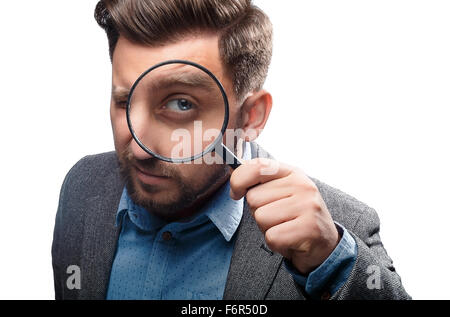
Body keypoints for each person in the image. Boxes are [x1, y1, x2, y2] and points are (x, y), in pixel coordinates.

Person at [51, 0, 410, 300]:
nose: (140, 148)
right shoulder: (82, 188)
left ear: (251, 116)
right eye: (125, 100)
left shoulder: (332, 231)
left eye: (180, 104)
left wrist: (330, 261)